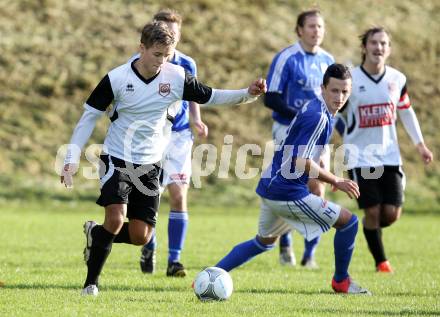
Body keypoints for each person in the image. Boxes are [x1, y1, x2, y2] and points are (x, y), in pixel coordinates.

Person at [60, 21, 267, 296]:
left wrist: (247, 94)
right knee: (115, 217)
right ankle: (91, 284)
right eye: (157, 54)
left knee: (140, 236)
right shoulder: (118, 78)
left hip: (150, 163)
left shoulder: (176, 76)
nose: (162, 61)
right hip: (117, 158)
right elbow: (88, 116)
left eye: (167, 55)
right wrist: (72, 156)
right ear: (141, 48)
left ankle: (96, 235)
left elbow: (211, 96)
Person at [214, 64, 371, 295]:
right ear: (323, 88)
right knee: (349, 222)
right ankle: (342, 282)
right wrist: (335, 180)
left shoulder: (317, 107)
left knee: (264, 242)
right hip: (286, 191)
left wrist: (323, 166)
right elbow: (300, 161)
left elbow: (304, 149)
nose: (340, 97)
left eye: (345, 92)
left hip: (272, 186)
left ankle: (212, 273)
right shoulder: (317, 116)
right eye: (334, 91)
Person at [335, 27, 433, 273]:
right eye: (374, 43)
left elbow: (406, 111)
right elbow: (334, 109)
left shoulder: (397, 79)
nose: (378, 48)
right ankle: (382, 262)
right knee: (372, 210)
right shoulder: (351, 80)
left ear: (389, 49)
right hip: (359, 156)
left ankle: (372, 228)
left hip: (390, 155)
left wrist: (420, 145)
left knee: (390, 214)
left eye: (383, 43)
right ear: (364, 48)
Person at [134, 9, 208, 278]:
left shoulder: (187, 63)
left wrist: (195, 120)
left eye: (175, 34)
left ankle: (174, 261)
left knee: (178, 195)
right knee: (150, 198)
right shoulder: (140, 62)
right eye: (165, 32)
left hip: (178, 138)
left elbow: (194, 95)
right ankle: (148, 245)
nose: (170, 38)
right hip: (150, 138)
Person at [264, 9, 334, 268]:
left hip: (319, 135)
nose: (317, 31)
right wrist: (301, 116)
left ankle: (310, 253)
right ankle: (285, 243)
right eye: (312, 26)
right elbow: (270, 97)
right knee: (291, 187)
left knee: (318, 185)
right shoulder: (287, 57)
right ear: (299, 30)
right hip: (288, 131)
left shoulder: (329, 60)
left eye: (320, 26)